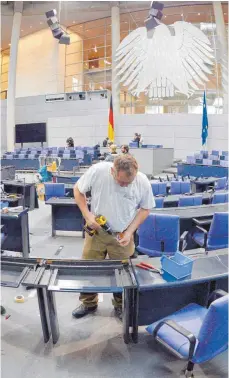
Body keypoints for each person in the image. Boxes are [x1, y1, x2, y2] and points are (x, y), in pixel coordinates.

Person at [72, 154, 155, 320]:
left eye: (128, 183)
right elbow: (78, 190)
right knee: (89, 268)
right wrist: (88, 216)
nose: (124, 186)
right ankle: (89, 303)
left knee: (123, 273)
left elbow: (146, 208)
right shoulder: (98, 171)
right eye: (121, 182)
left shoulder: (142, 181)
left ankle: (120, 306)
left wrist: (130, 231)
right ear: (112, 171)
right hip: (96, 233)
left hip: (122, 234)